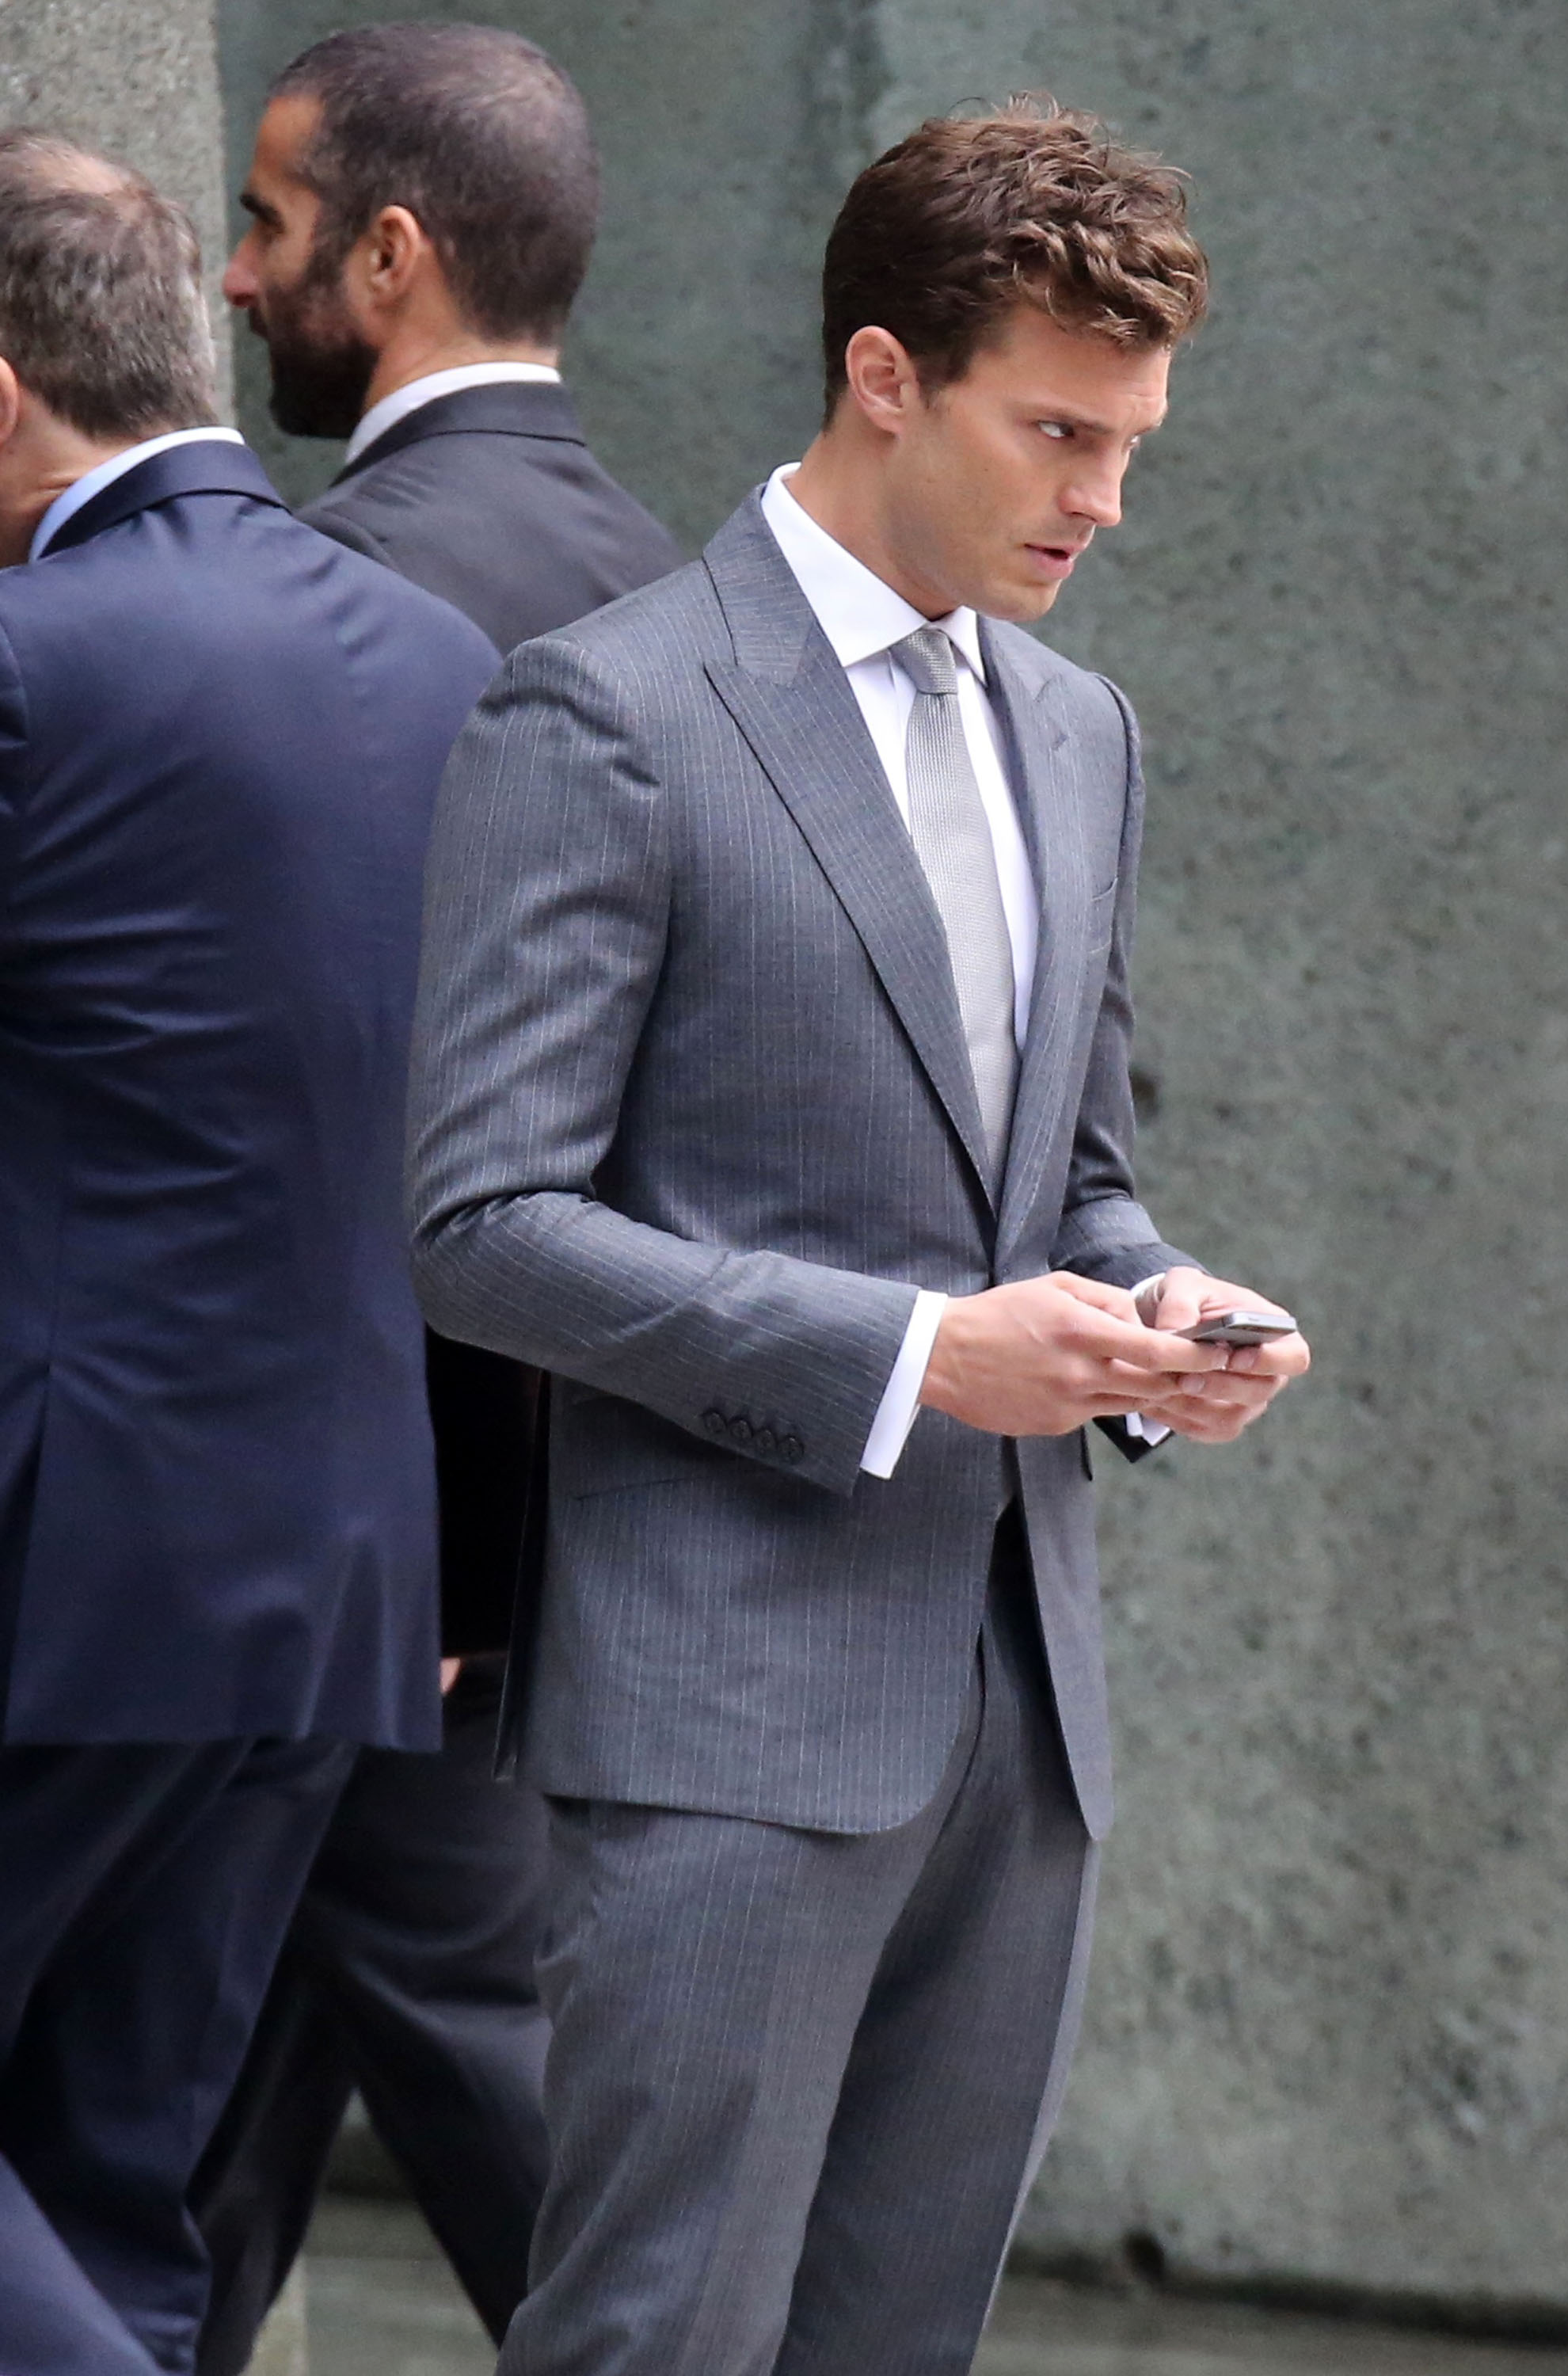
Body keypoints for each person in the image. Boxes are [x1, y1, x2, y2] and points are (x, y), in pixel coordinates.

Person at [408, 96, 1311, 2376]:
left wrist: (1167, 1306)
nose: (1104, 500)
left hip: (1023, 1717)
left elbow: (1069, 1177)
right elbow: (481, 1225)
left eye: (1132, 445)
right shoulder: (609, 712)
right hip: (720, 1714)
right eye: (1059, 433)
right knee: (657, 2341)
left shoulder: (1082, 735)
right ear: (885, 376)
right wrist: (917, 1357)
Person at [193, 26, 682, 2373]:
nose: (233, 275)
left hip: (381, 1564)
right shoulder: (675, 586)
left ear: (389, 256)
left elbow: (368, 1117)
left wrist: (457, 1560)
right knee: (193, 2136)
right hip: (535, 1539)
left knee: (529, 2146)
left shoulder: (337, 605)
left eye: (268, 224)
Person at [0, 135, 497, 2375]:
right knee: (114, 2183)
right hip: (342, 1581)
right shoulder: (440, 657)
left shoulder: (29, 664)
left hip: (65, 1567)